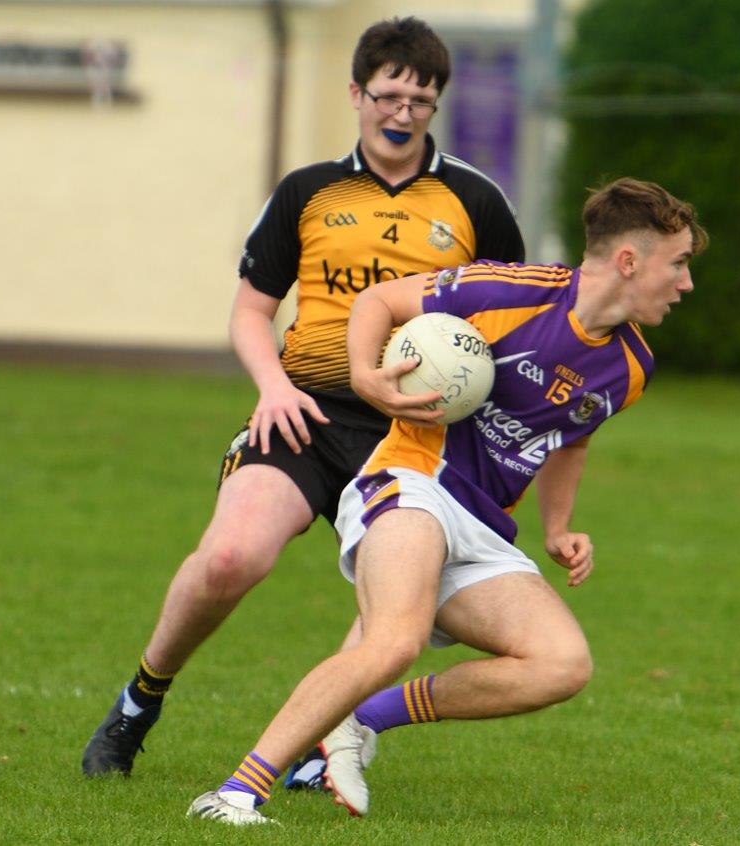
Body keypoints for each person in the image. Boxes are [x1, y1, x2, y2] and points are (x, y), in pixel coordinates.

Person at [187, 176, 707, 825]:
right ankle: (235, 794)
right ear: (629, 261)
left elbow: (571, 439)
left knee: (561, 664)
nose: (686, 283)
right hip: (412, 481)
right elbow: (378, 299)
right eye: (679, 263)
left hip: (485, 528)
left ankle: (362, 720)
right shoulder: (510, 291)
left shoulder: (631, 367)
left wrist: (559, 527)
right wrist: (364, 376)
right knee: (394, 640)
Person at [82, 16, 524, 778]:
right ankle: (138, 703)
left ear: (435, 106)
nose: (402, 113)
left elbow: (509, 325)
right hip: (305, 412)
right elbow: (250, 311)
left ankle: (332, 744)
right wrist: (271, 386)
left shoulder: (476, 202)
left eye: (420, 101)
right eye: (388, 95)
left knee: (395, 616)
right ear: (356, 93)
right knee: (228, 557)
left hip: (410, 439)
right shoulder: (308, 192)